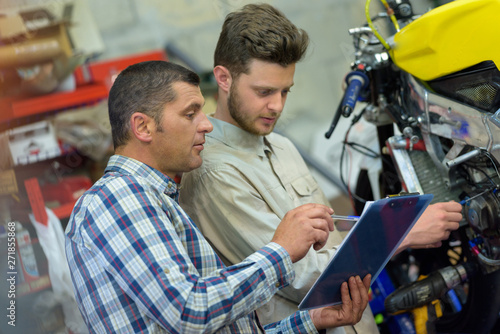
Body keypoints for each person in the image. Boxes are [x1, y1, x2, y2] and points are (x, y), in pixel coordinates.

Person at [178, 3, 463, 334]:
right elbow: (302, 278)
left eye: (285, 91)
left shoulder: (280, 145)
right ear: (223, 78)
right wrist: (400, 233)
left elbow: (332, 239)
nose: (278, 105)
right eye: (264, 91)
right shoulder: (213, 173)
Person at [64, 60, 372, 333]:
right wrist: (281, 250)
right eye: (190, 114)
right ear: (143, 127)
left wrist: (310, 321)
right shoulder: (120, 198)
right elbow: (189, 313)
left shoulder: (155, 198)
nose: (207, 124)